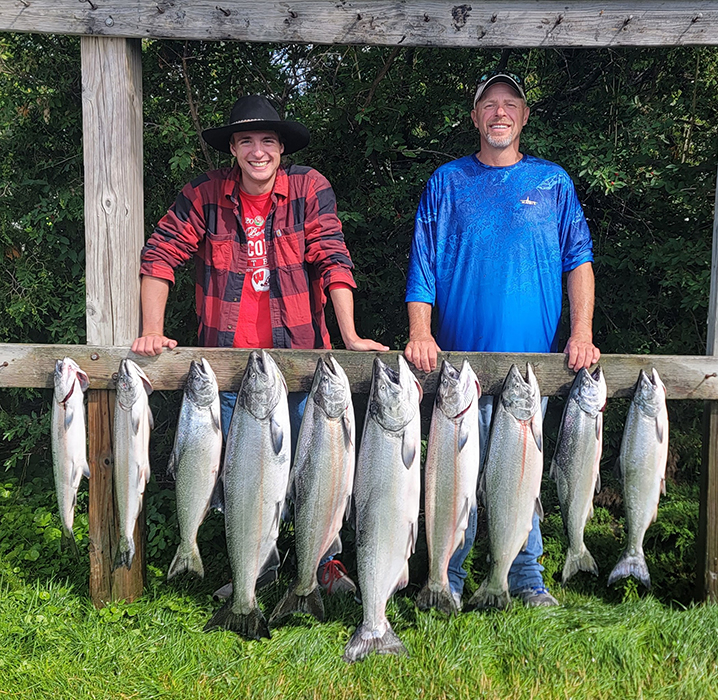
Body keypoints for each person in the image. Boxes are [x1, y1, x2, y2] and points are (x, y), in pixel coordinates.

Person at [132, 94, 387, 595]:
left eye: (267, 140)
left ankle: (324, 567)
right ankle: (256, 569)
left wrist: (351, 335)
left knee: (319, 473)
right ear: (232, 147)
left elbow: (333, 256)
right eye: (246, 140)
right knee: (243, 481)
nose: (257, 150)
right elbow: (161, 253)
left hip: (299, 365)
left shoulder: (309, 188)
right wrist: (151, 328)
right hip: (228, 370)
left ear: (281, 147)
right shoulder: (204, 193)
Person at [404, 71, 600, 608]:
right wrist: (420, 332)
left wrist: (581, 333)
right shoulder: (446, 183)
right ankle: (451, 578)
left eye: (510, 104)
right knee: (456, 477)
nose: (499, 113)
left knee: (524, 475)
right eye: (488, 104)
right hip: (458, 373)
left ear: (524, 117)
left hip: (530, 368)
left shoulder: (552, 183)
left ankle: (527, 578)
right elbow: (423, 264)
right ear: (474, 118)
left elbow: (578, 259)